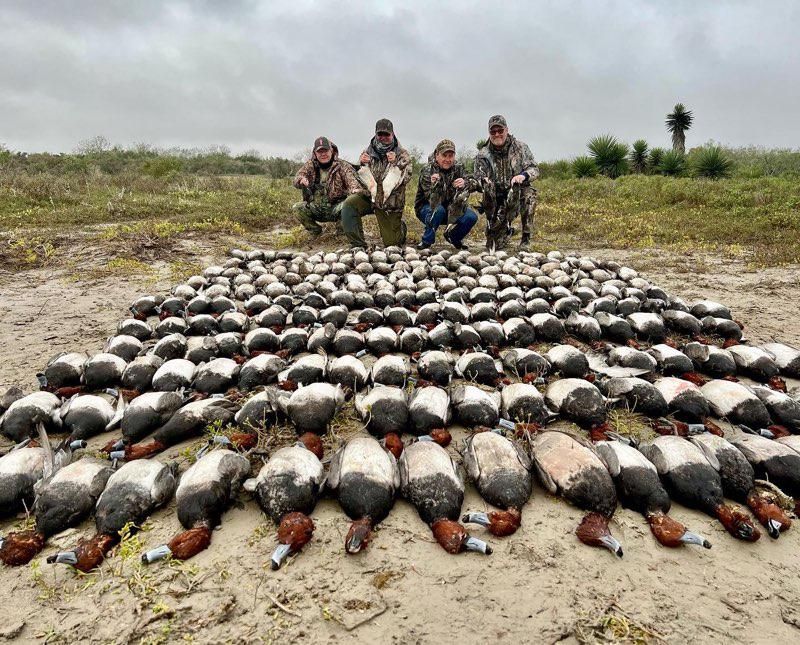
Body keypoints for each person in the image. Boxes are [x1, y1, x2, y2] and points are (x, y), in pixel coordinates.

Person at [340, 118, 411, 248]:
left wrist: (396, 164)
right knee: (349, 205)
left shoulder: (402, 154)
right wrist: (361, 164)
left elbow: (407, 178)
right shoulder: (367, 153)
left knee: (392, 244)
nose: (383, 137)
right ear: (375, 134)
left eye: (386, 134)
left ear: (393, 134)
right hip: (370, 196)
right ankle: (358, 245)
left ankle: (401, 228)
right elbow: (360, 178)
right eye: (380, 134)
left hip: (390, 202)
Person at [474, 115, 539, 250]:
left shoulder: (520, 148)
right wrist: (483, 181)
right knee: (494, 246)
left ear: (507, 130)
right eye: (493, 131)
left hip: (516, 193)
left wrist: (523, 176)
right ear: (489, 133)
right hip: (497, 200)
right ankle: (504, 230)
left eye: (500, 130)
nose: (497, 134)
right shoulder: (483, 154)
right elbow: (477, 177)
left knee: (529, 195)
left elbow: (534, 169)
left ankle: (526, 238)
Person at [292, 136, 364, 238]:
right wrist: (301, 180)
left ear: (331, 151)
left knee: (348, 205)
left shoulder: (342, 165)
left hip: (336, 208)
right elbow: (296, 178)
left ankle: (342, 232)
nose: (323, 154)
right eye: (319, 152)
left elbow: (353, 182)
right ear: (315, 154)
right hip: (316, 207)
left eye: (325, 150)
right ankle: (315, 231)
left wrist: (355, 189)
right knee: (297, 208)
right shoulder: (310, 165)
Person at [414, 139, 478, 250]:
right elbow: (432, 199)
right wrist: (436, 185)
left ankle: (454, 237)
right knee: (438, 210)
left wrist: (465, 182)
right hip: (427, 208)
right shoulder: (427, 170)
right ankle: (426, 242)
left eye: (451, 156)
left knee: (471, 217)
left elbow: (476, 183)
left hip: (452, 209)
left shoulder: (459, 167)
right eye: (444, 155)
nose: (448, 159)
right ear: (437, 155)